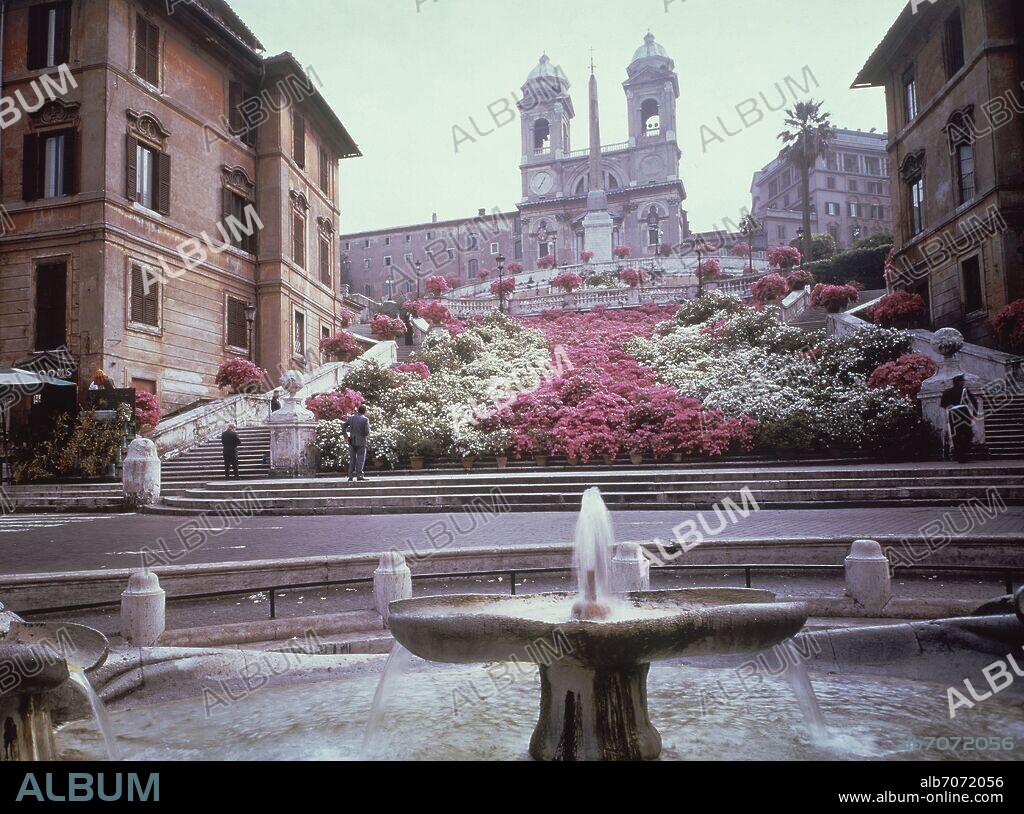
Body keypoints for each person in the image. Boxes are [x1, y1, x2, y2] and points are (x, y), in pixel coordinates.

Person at [941, 375, 979, 464]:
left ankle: (959, 455)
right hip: (964, 413)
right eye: (963, 381)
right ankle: (965, 453)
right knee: (968, 433)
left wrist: (951, 407)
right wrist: (974, 414)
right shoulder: (965, 391)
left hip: (953, 414)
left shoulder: (947, 392)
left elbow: (943, 404)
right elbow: (974, 402)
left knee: (956, 435)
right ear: (960, 382)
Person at [343, 405, 371, 482]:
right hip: (361, 441)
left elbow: (344, 426)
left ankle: (350, 476)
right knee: (360, 459)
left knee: (352, 459)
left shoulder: (351, 418)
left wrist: (346, 436)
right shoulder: (365, 419)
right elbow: (367, 432)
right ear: (365, 411)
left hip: (352, 440)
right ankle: (359, 475)